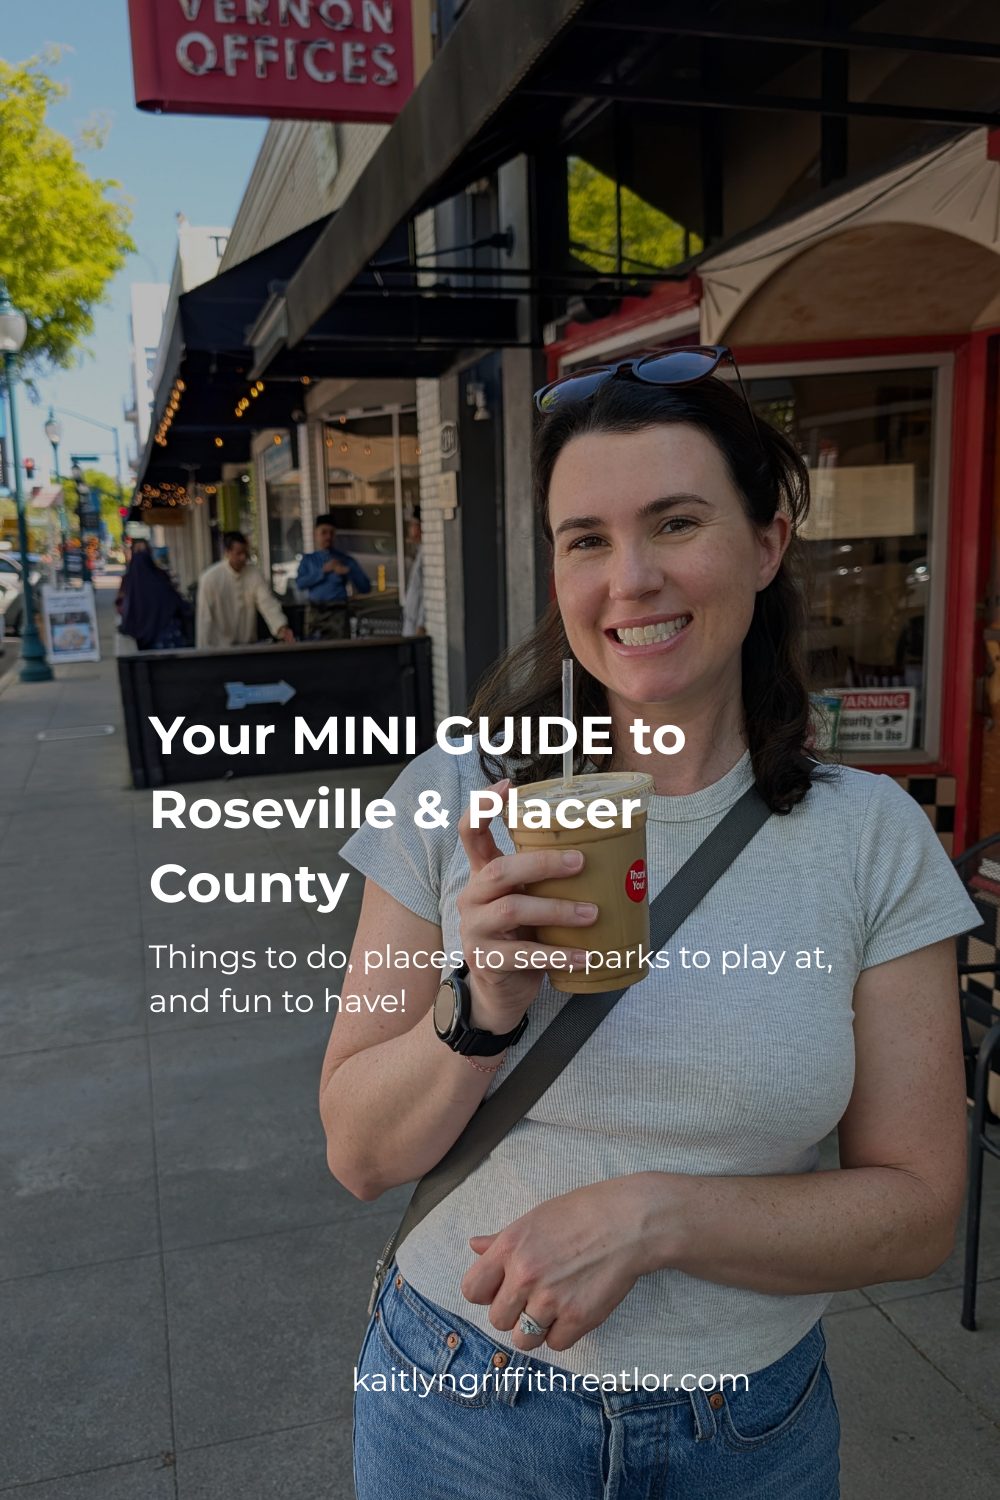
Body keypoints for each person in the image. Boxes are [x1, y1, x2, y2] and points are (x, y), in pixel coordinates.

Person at [322, 349, 979, 1499]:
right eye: (585, 539)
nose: (629, 579)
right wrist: (477, 1012)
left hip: (748, 1431)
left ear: (766, 543)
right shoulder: (457, 798)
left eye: (674, 523)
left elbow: (919, 1213)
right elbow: (358, 1155)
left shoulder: (867, 836)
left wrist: (657, 1217)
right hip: (456, 1403)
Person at [196, 531, 293, 649]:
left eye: (245, 553)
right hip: (219, 650)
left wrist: (281, 627)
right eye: (238, 553)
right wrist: (203, 651)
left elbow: (267, 603)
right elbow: (204, 618)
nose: (243, 558)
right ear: (227, 552)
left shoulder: (254, 574)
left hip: (247, 647)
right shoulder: (210, 579)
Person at [295, 513, 370, 640]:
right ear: (316, 534)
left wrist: (349, 572)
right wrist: (323, 571)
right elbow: (300, 584)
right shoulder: (309, 560)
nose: (328, 537)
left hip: (338, 613)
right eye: (324, 532)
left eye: (331, 533)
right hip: (315, 612)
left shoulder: (345, 560)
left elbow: (365, 587)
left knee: (338, 651)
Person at [118, 547, 192, 651]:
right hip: (170, 640)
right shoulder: (161, 582)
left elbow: (127, 618)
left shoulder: (131, 587)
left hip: (148, 645)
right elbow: (179, 605)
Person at [400, 505, 425, 636]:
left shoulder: (426, 555)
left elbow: (426, 591)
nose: (410, 529)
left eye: (412, 525)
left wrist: (422, 623)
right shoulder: (419, 552)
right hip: (411, 619)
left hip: (417, 623)